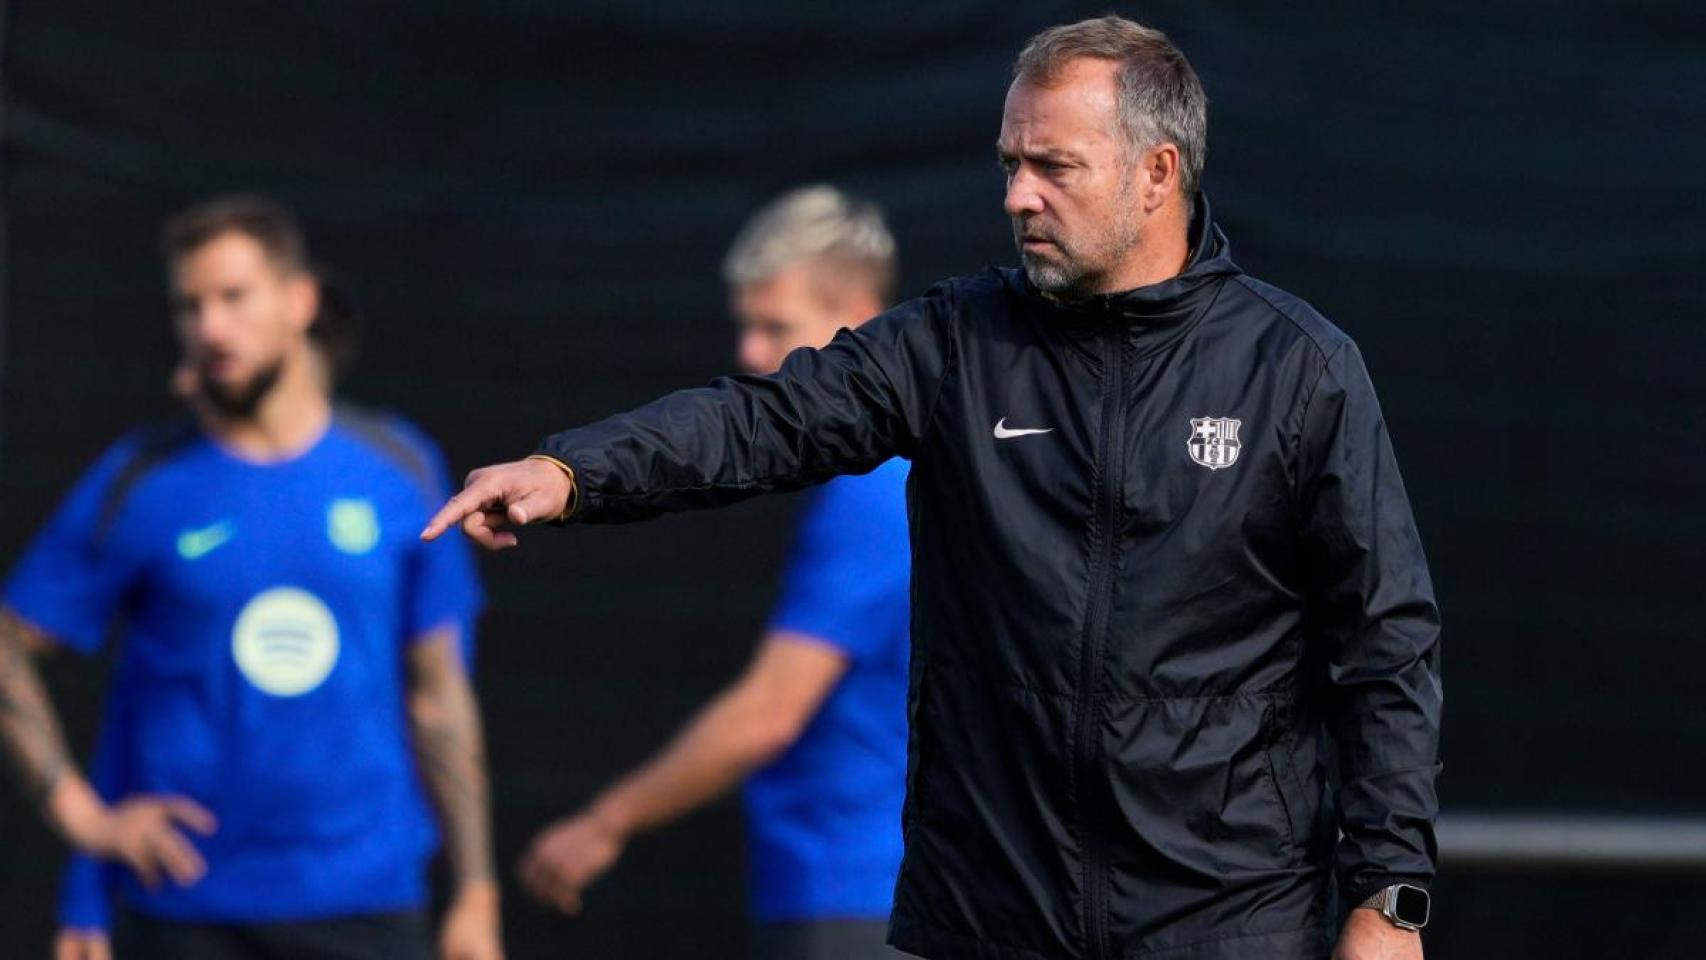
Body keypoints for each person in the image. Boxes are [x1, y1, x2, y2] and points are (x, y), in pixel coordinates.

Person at [424, 15, 1441, 960]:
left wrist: (1387, 896)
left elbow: (1384, 645)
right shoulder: (957, 342)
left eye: (1054, 166)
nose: (1017, 197)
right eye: (1009, 165)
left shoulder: (1295, 369)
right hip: (992, 920)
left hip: (1229, 924)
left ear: (1156, 173)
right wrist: (573, 471)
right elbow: (766, 419)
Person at [0, 196, 501, 960]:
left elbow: (439, 696)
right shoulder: (142, 481)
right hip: (186, 906)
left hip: (366, 901)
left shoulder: (400, 467)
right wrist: (83, 822)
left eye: (233, 297)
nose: (210, 327)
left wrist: (476, 893)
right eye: (189, 306)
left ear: (300, 302)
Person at [518, 186, 912, 959]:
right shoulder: (887, 481)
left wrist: (606, 821)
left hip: (856, 896)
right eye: (746, 326)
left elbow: (771, 712)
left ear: (860, 322)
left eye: (776, 327)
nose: (751, 355)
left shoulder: (875, 492)